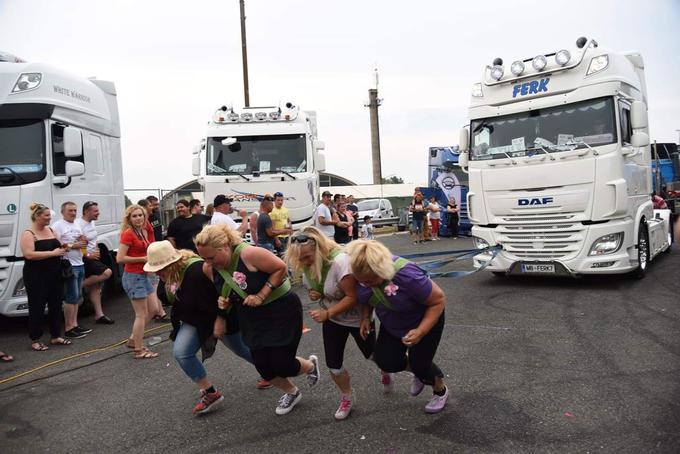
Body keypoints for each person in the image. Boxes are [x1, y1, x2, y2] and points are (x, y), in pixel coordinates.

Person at [195, 224, 320, 415]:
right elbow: (228, 291)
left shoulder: (250, 254)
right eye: (203, 258)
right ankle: (292, 392)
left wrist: (262, 294)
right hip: (251, 316)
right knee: (263, 366)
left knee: (282, 363)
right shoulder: (209, 269)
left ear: (225, 246)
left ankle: (310, 365)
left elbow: (280, 268)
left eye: (211, 257)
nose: (208, 262)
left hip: (281, 310)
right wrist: (223, 306)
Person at [286, 227, 389, 420]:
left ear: (318, 249)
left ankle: (387, 369)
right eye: (299, 259)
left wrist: (327, 312)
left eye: (307, 257)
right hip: (334, 320)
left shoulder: (340, 262)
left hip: (357, 319)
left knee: (375, 356)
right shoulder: (308, 264)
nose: (303, 263)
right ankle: (347, 396)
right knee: (333, 364)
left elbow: (354, 296)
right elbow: (322, 289)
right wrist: (315, 293)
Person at [144, 241, 254, 414]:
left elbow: (224, 294)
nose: (158, 273)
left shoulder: (197, 270)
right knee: (181, 352)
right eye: (155, 269)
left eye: (161, 268)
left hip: (220, 315)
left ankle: (275, 370)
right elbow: (166, 296)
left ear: (173, 262)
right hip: (195, 319)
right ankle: (211, 392)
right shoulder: (170, 275)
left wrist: (221, 319)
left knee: (243, 350)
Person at [346, 240, 450, 414]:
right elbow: (367, 298)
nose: (365, 284)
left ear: (382, 271)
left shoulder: (407, 276)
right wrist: (365, 317)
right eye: (361, 281)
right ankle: (419, 372)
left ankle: (440, 390)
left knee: (420, 364)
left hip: (424, 321)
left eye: (370, 280)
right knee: (386, 360)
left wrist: (421, 331)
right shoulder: (361, 274)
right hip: (393, 322)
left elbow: (438, 301)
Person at [19, 203, 71, 351]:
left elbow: (59, 246)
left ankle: (56, 336)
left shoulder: (51, 230)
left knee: (56, 305)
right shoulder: (28, 234)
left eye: (50, 215)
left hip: (55, 274)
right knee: (37, 307)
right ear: (37, 216)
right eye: (46, 215)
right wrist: (52, 253)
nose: (50, 218)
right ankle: (35, 339)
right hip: (36, 276)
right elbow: (29, 254)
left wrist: (65, 247)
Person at [117, 204, 158, 359]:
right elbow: (119, 258)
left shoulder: (144, 230)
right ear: (129, 219)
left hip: (144, 275)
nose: (138, 218)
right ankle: (138, 349)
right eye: (134, 216)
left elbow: (152, 244)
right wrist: (142, 259)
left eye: (140, 215)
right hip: (133, 277)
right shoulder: (128, 234)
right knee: (141, 314)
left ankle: (134, 339)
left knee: (153, 309)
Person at [52, 201, 91, 339]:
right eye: (70, 211)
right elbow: (57, 245)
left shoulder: (77, 224)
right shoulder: (57, 225)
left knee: (77, 296)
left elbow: (82, 242)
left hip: (79, 262)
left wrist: (84, 245)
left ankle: (75, 324)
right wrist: (75, 245)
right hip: (69, 265)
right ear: (63, 212)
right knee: (70, 296)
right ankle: (69, 328)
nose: (73, 213)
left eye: (75, 210)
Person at [76, 201, 114, 324]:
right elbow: (79, 243)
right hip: (84, 258)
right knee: (107, 273)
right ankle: (78, 286)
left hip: (94, 256)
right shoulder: (78, 224)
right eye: (95, 211)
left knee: (96, 287)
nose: (98, 213)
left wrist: (96, 250)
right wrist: (88, 254)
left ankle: (99, 315)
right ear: (87, 211)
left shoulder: (91, 222)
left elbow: (94, 239)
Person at [139, 199, 169, 321]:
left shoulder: (153, 218)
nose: (153, 207)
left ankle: (158, 310)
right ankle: (158, 311)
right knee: (154, 282)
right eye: (150, 205)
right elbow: (146, 241)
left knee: (154, 282)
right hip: (150, 254)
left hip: (154, 251)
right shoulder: (143, 223)